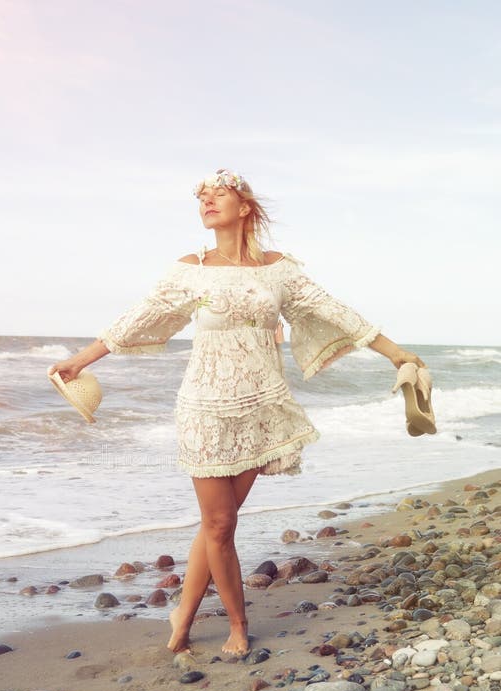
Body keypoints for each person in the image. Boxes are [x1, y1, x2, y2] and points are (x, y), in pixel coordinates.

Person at [49, 168, 426, 658]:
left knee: (218, 526)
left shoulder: (279, 270)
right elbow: (138, 317)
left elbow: (337, 312)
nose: (206, 201)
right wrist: (80, 360)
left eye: (217, 194)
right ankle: (236, 624)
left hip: (262, 406)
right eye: (200, 197)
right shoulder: (191, 268)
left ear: (244, 206)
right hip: (205, 407)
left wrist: (397, 355)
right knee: (221, 524)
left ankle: (183, 615)